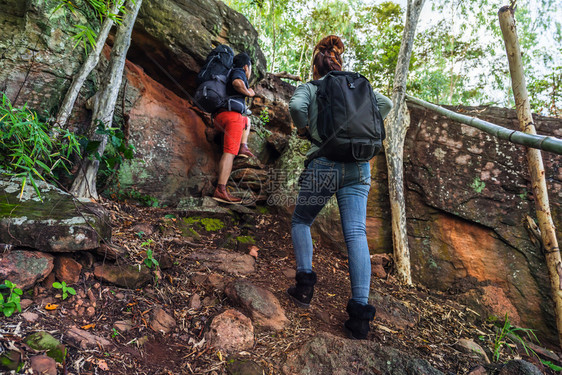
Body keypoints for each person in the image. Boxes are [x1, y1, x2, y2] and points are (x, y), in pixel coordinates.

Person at [287, 35, 393, 340]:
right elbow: (384, 103)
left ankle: (304, 288)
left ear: (316, 65)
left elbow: (296, 106)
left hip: (325, 163)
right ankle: (359, 317)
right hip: (359, 165)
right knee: (356, 233)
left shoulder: (312, 86)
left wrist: (304, 127)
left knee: (302, 220)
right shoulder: (356, 88)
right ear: (338, 62)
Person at [212, 52, 256, 204]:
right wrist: (248, 92)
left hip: (220, 116)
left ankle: (243, 147)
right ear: (246, 67)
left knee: (247, 120)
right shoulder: (239, 71)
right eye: (250, 69)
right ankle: (221, 189)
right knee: (229, 153)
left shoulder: (227, 72)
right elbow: (237, 83)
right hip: (232, 117)